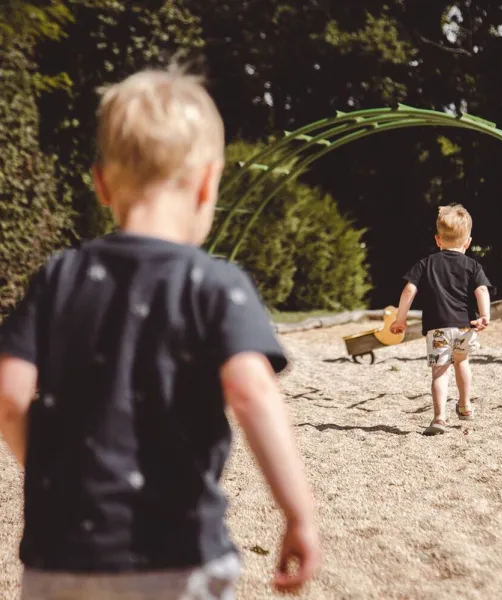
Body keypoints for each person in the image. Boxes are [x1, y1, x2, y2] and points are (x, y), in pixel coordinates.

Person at [0, 65, 319, 599]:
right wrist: (299, 513)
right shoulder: (215, 284)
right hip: (177, 554)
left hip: (59, 558)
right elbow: (252, 391)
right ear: (208, 182)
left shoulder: (59, 276)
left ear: (101, 184)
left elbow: (9, 395)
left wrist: (52, 468)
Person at [390, 205, 491, 436]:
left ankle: (439, 418)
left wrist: (400, 319)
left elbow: (408, 291)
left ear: (438, 239)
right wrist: (485, 315)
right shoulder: (473, 266)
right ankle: (465, 405)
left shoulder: (426, 263)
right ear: (468, 242)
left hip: (437, 329)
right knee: (462, 362)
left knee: (439, 372)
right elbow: (482, 290)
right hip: (465, 327)